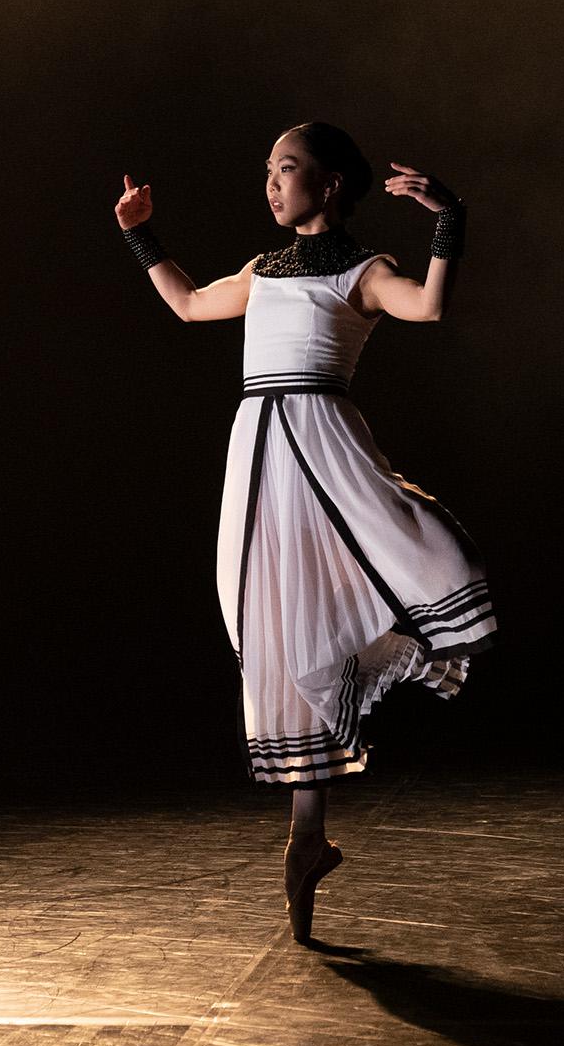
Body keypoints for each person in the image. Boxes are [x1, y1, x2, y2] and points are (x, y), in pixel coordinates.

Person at [114, 123, 497, 943]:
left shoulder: (365, 272)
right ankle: (306, 832)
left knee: (349, 597)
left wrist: (448, 216)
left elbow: (428, 306)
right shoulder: (263, 271)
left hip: (324, 451)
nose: (270, 184)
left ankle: (309, 829)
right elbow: (187, 303)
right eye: (267, 171)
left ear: (328, 186)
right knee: (284, 629)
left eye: (286, 170)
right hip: (260, 458)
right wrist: (139, 232)